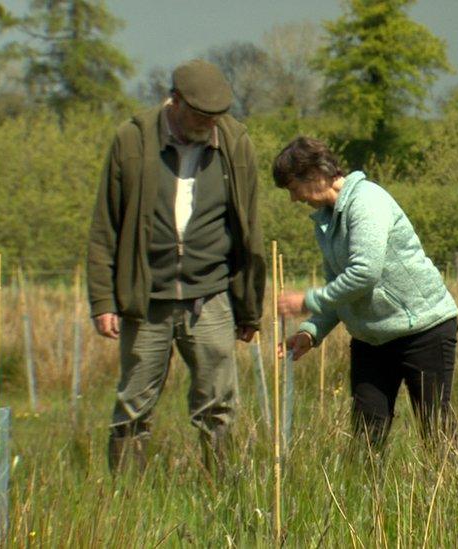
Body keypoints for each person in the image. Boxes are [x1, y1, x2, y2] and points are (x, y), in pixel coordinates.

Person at [87, 59, 265, 474]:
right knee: (133, 406)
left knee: (218, 406)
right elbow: (104, 226)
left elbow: (249, 228)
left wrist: (249, 307)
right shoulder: (132, 141)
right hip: (145, 297)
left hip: (211, 295)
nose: (210, 124)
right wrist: (102, 300)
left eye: (216, 117)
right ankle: (126, 501)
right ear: (175, 101)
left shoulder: (235, 142)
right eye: (202, 116)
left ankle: (222, 493)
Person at [273, 137, 458, 452]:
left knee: (435, 431)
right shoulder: (326, 220)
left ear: (316, 174)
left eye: (293, 188)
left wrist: (305, 301)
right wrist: (311, 331)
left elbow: (364, 273)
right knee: (365, 440)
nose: (293, 199)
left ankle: (453, 495)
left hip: (423, 330)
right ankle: (369, 501)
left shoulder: (367, 202)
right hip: (372, 339)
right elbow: (338, 286)